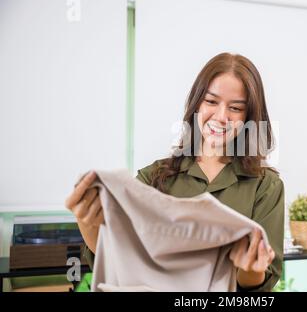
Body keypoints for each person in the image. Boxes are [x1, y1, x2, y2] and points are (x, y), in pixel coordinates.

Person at [65, 52, 285, 292]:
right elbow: (119, 260)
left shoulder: (265, 185)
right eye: (211, 102)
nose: (222, 117)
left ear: (249, 116)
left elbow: (259, 287)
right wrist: (87, 222)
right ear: (196, 103)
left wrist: (251, 267)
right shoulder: (153, 178)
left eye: (235, 108)